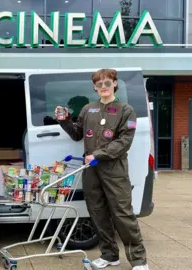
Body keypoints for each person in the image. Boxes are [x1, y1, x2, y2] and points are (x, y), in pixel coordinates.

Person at [55, 69, 148, 270]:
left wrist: (98, 154)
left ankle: (139, 261)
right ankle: (109, 255)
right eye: (99, 84)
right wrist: (64, 120)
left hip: (114, 168)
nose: (103, 87)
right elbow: (77, 134)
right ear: (94, 87)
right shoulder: (89, 109)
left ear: (115, 83)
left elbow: (124, 141)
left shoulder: (126, 110)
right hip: (91, 170)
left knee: (122, 213)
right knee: (97, 212)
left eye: (107, 83)